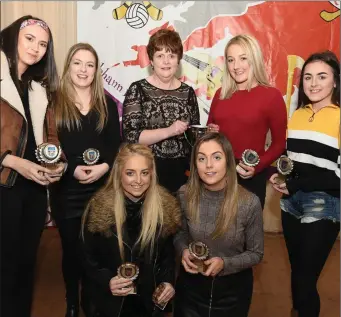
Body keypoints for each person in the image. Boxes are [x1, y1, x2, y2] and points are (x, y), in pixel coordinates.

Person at [49, 43, 121, 317]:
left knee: (97, 249)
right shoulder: (54, 102)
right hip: (66, 190)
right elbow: (48, 146)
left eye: (89, 65)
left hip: (101, 189)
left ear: (96, 70)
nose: (83, 69)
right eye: (78, 63)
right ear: (68, 67)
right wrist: (69, 170)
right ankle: (71, 301)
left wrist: (105, 166)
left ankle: (89, 298)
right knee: (71, 250)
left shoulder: (107, 103)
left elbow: (116, 144)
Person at [0, 15, 65, 317]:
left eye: (43, 44)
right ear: (13, 36)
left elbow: (50, 140)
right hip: (5, 186)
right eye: (30, 39)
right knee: (5, 268)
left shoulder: (38, 89)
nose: (36, 48)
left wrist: (57, 164)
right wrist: (13, 161)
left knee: (25, 268)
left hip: (34, 191)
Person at [269, 51, 340, 317]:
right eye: (308, 77)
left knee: (305, 280)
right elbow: (295, 162)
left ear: (335, 81)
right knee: (298, 276)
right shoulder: (298, 115)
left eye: (322, 76)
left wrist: (296, 185)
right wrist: (283, 176)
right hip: (290, 205)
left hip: (325, 204)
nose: (313, 83)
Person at [80, 143, 181, 317]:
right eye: (130, 173)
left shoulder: (166, 209)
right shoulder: (98, 208)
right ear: (119, 174)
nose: (138, 181)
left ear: (152, 174)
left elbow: (167, 258)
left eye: (144, 173)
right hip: (110, 305)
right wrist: (107, 281)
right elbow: (86, 258)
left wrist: (168, 283)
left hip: (148, 304)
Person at [173, 132, 264, 317]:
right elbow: (179, 234)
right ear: (194, 164)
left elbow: (256, 253)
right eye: (201, 158)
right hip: (190, 289)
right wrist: (183, 250)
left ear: (229, 161)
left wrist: (225, 263)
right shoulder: (184, 194)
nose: (208, 165)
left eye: (216, 157)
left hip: (232, 294)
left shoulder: (249, 202)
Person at [207, 34, 287, 208]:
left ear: (255, 59)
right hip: (217, 174)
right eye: (231, 60)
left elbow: (279, 144)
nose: (236, 66)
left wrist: (258, 166)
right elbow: (209, 132)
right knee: (212, 233)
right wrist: (210, 134)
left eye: (243, 58)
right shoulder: (221, 94)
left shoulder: (271, 96)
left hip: (250, 176)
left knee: (248, 234)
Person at [122, 29, 200, 194]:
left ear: (178, 61)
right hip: (146, 176)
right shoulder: (138, 90)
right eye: (160, 56)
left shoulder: (188, 92)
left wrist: (207, 134)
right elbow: (131, 137)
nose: (166, 61)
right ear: (151, 60)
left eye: (171, 56)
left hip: (183, 179)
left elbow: (193, 139)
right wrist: (170, 130)